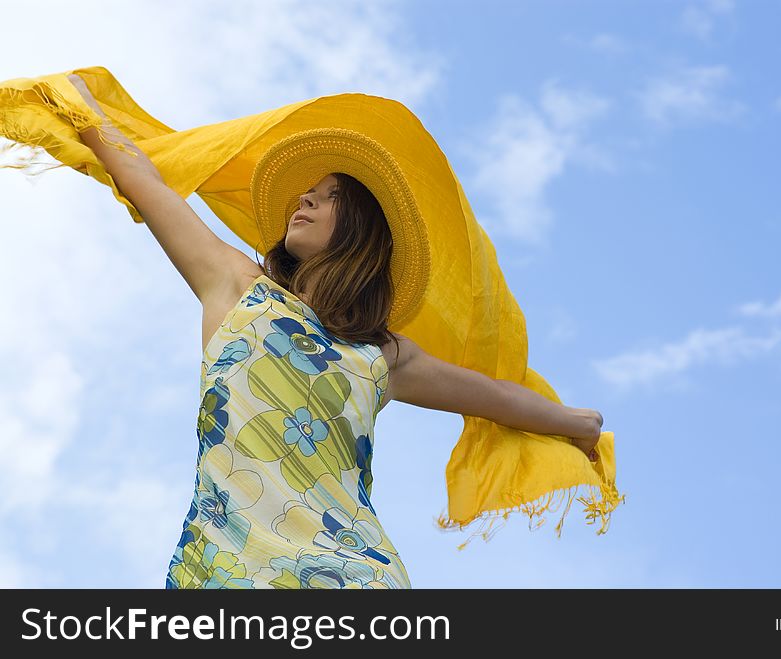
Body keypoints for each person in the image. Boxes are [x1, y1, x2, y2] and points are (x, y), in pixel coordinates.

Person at [61, 74, 604, 589]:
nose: (304, 200)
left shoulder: (380, 354)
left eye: (327, 196)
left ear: (361, 229)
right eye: (307, 193)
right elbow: (143, 179)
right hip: (225, 568)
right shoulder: (234, 286)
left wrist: (575, 422)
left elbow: (493, 398)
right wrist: (81, 104)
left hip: (350, 575)